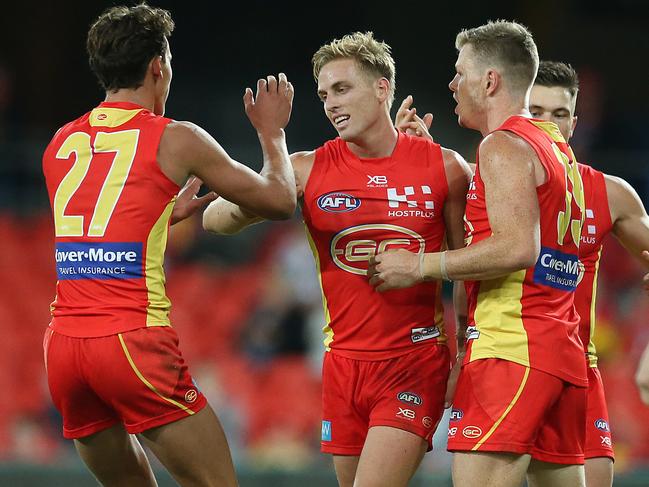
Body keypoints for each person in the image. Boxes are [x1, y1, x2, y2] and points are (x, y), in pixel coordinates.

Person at [41, 4, 296, 487]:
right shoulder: (175, 138)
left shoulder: (59, 142)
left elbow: (98, 228)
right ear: (158, 66)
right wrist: (272, 133)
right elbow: (280, 200)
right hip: (130, 342)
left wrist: (161, 211)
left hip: (64, 348)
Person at [203, 31, 471, 487]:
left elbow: (467, 268)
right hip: (343, 366)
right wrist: (268, 176)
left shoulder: (446, 168)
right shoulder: (306, 169)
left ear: (382, 87)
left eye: (342, 89)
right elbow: (215, 220)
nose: (330, 104)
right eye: (324, 94)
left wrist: (463, 356)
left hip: (414, 362)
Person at [369, 21, 588, 486]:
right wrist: (430, 157)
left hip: (513, 349)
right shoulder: (552, 144)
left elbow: (516, 245)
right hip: (558, 348)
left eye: (460, 72)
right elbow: (512, 206)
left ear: (489, 81)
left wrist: (421, 265)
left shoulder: (502, 144)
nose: (452, 84)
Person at [528, 60, 649, 487]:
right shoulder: (480, 182)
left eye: (559, 114)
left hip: (578, 370)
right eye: (536, 112)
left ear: (575, 123)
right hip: (505, 364)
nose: (548, 125)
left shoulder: (610, 193)